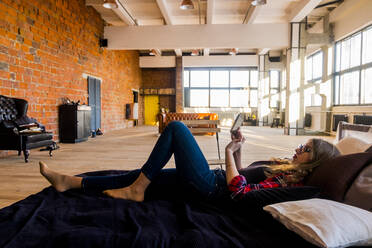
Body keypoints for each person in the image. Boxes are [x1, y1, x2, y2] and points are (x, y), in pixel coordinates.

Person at [39, 121, 340, 202]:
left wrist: (226, 156)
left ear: (313, 163)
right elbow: (247, 176)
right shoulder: (285, 168)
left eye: (306, 149)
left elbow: (241, 193)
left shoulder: (292, 182)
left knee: (177, 129)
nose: (298, 148)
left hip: (212, 188)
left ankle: (137, 190)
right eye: (302, 144)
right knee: (141, 172)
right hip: (216, 181)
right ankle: (71, 183)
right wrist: (237, 149)